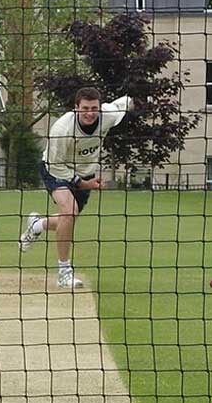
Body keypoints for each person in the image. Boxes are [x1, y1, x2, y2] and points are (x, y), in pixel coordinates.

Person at [19, 86, 132, 289]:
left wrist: (140, 102)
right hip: (56, 170)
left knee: (67, 220)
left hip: (86, 171)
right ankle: (64, 272)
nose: (90, 113)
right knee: (69, 212)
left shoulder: (109, 114)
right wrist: (83, 183)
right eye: (85, 108)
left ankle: (36, 225)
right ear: (76, 108)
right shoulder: (62, 130)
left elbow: (126, 101)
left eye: (94, 108)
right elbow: (56, 166)